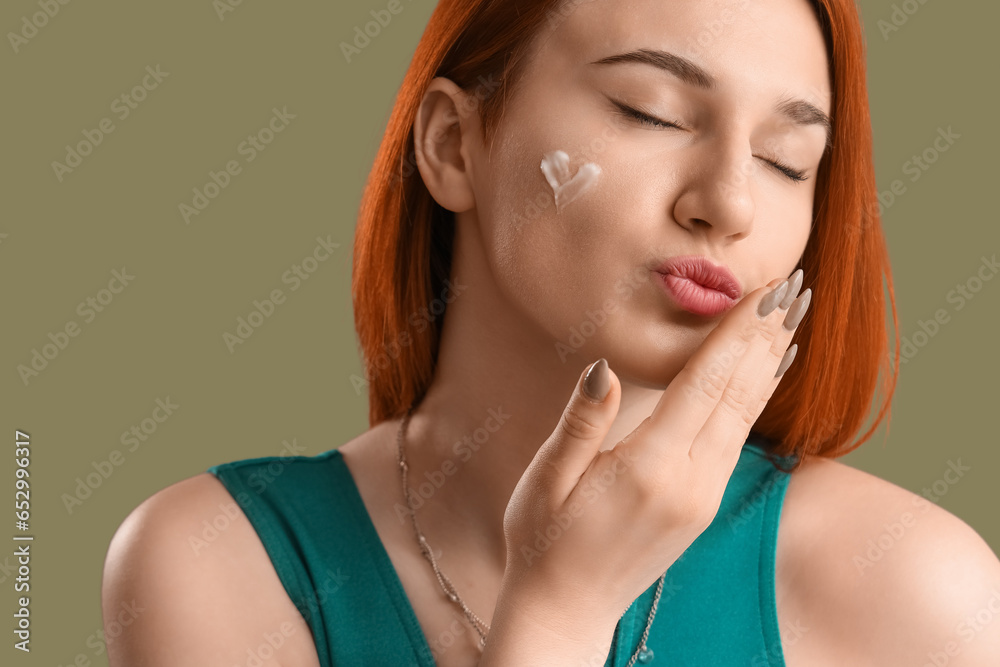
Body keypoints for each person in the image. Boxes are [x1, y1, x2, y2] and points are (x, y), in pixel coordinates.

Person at [101, 0, 1000, 665]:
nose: (729, 202)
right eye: (651, 110)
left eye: (786, 160)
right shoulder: (221, 562)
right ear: (455, 145)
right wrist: (558, 612)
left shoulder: (918, 592)